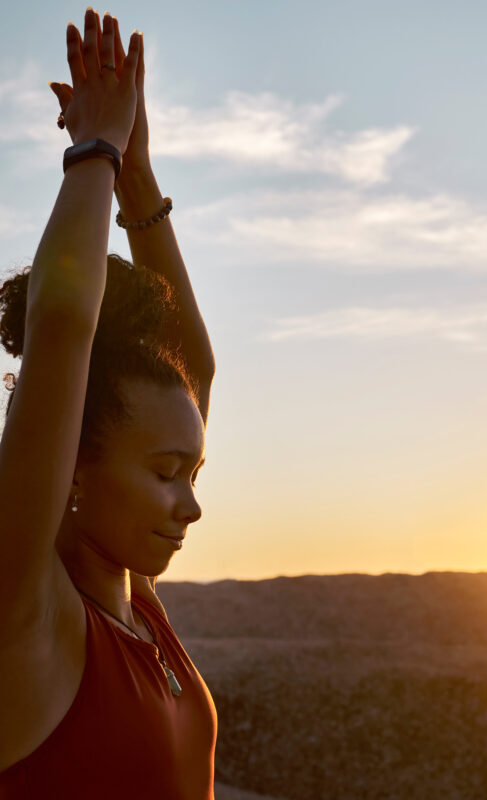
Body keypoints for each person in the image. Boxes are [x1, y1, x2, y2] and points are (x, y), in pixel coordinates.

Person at [0, 9, 217, 798]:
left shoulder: (135, 606)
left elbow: (192, 370)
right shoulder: (27, 619)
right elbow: (59, 328)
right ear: (75, 468)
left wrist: (139, 179)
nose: (190, 507)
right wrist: (93, 154)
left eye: (194, 473)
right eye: (167, 474)